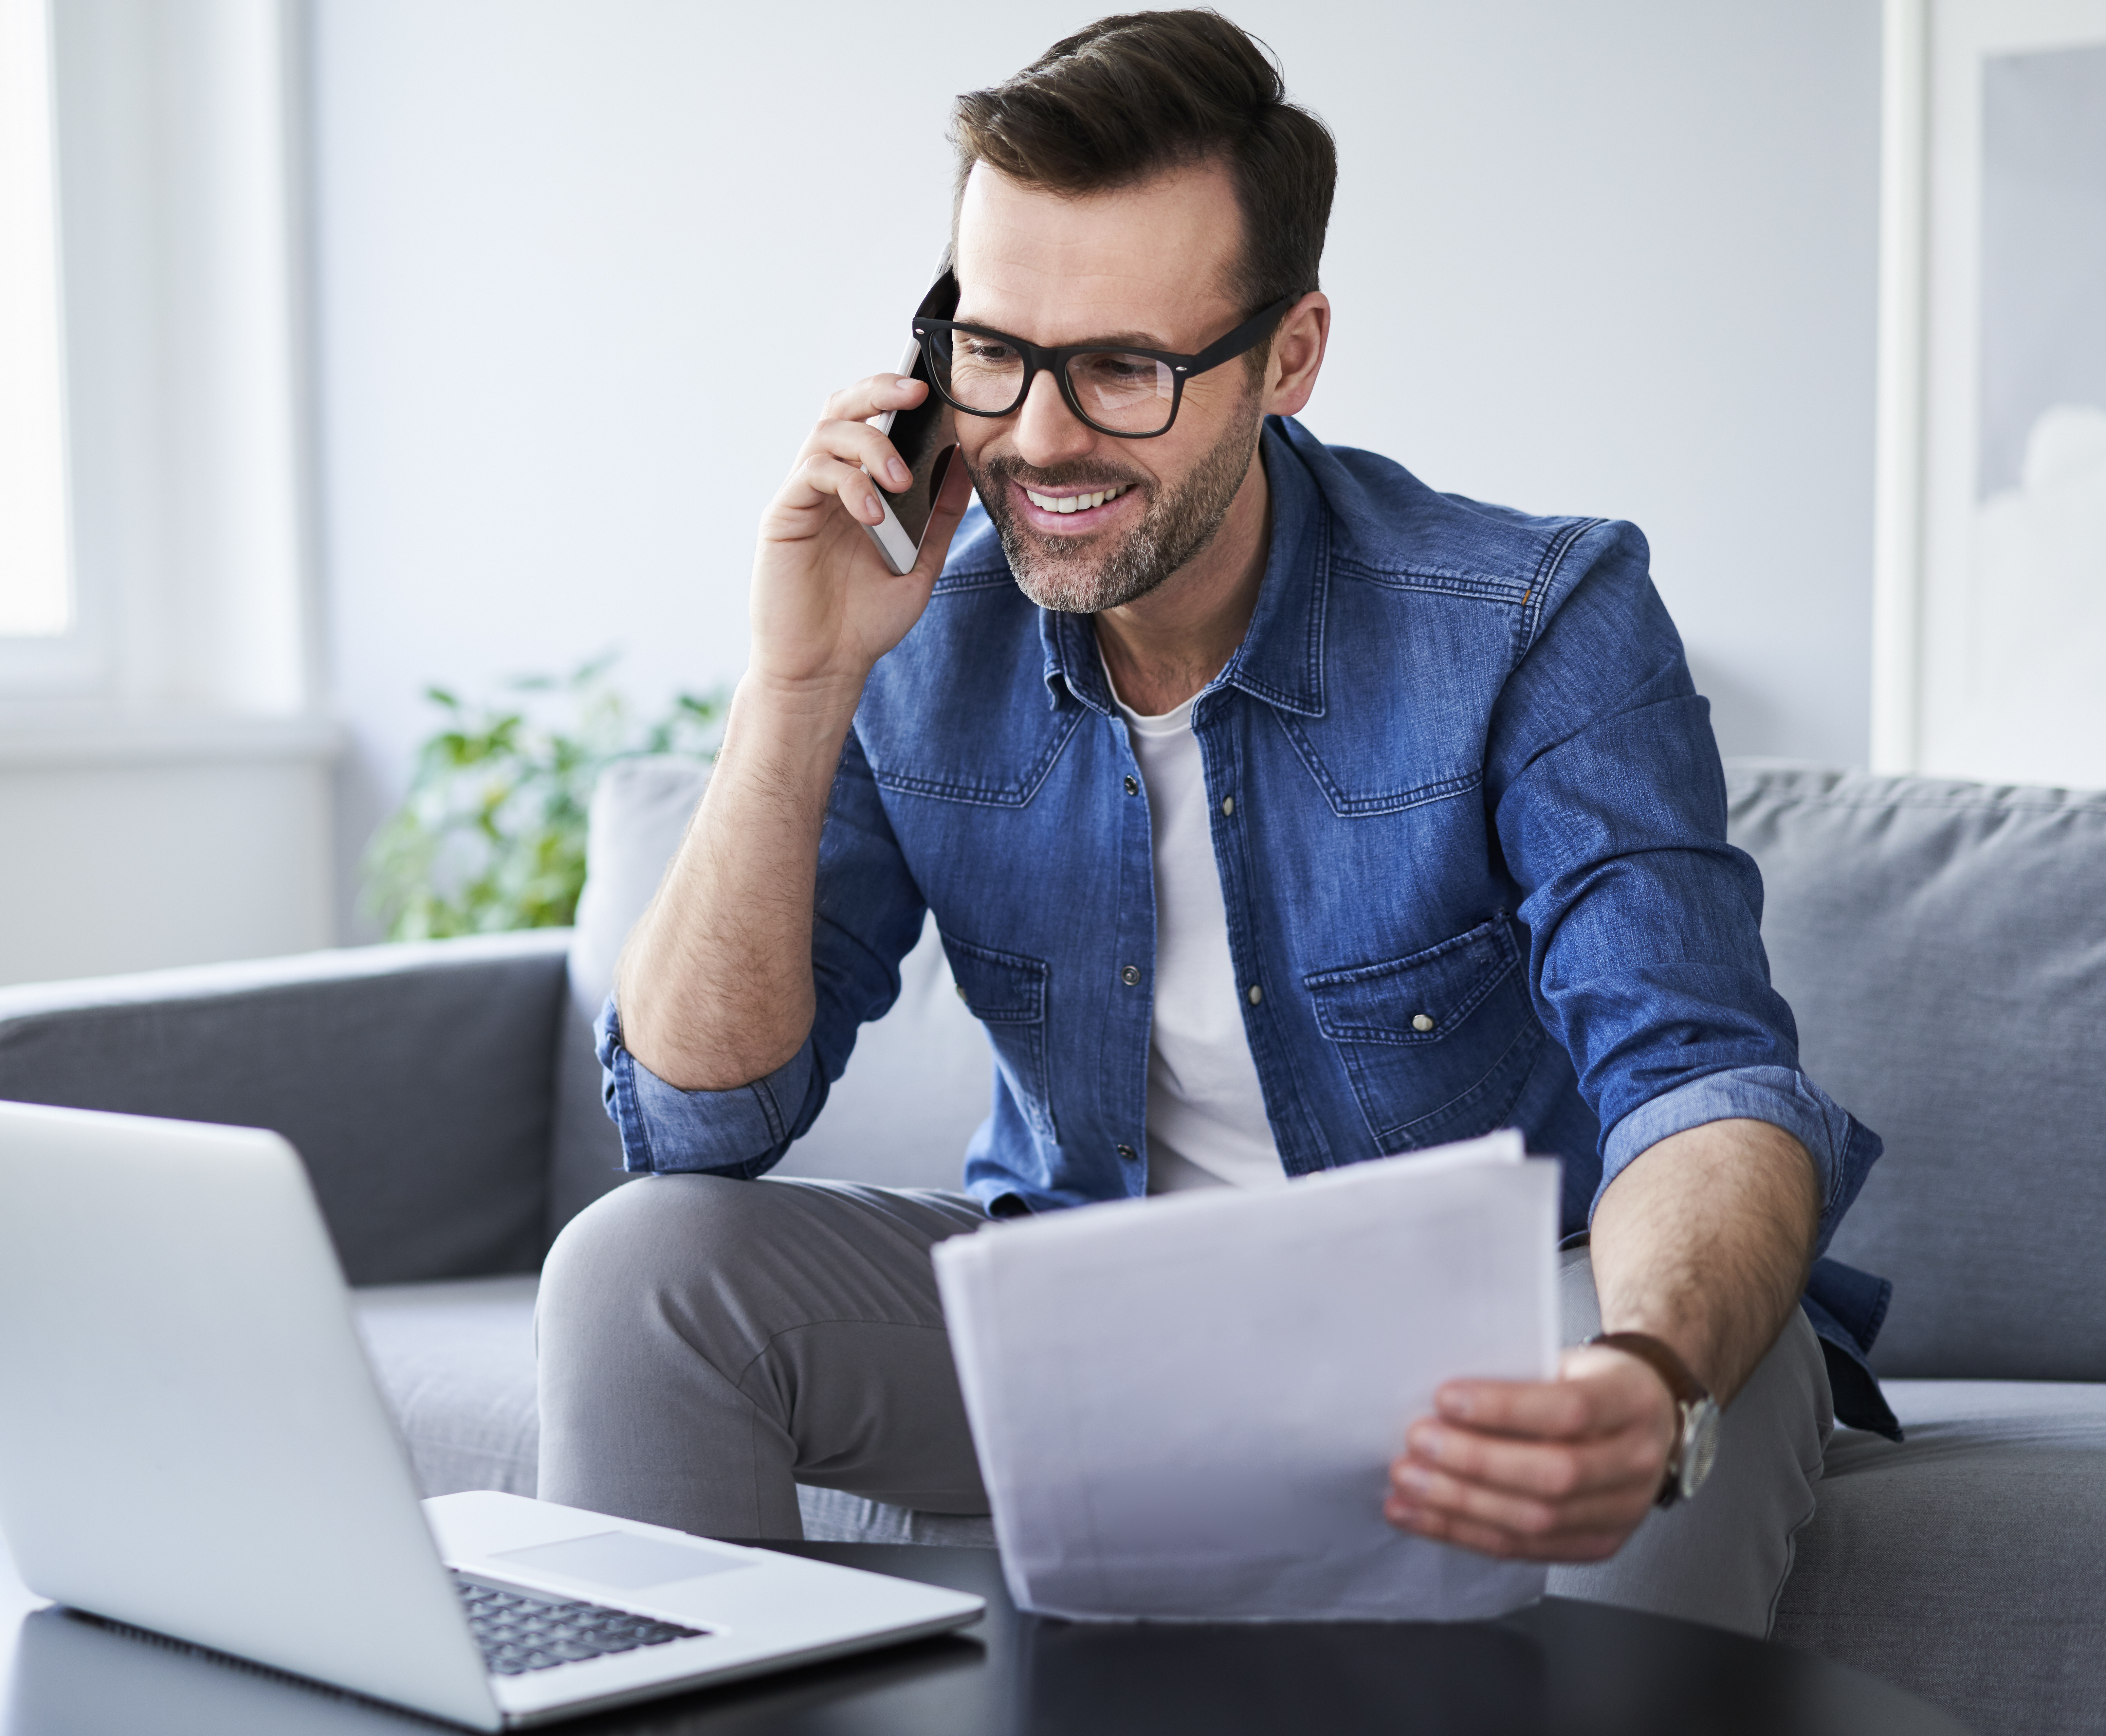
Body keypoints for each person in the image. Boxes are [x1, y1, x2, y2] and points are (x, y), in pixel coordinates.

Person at [535, 9, 1890, 1638]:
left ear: (1287, 356)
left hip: (1508, 1320)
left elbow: (1700, 1078)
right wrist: (797, 679)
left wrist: (1642, 1368)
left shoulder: (1533, 616)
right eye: (992, 350)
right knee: (637, 1274)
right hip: (1096, 1314)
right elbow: (697, 1132)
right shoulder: (916, 642)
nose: (1037, 437)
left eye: (1122, 369)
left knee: (1699, 1401)